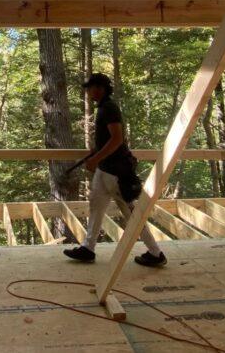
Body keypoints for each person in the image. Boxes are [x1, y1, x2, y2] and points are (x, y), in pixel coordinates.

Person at [64, 73, 166, 267]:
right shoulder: (103, 108)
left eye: (90, 88)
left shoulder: (109, 108)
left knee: (132, 214)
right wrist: (97, 152)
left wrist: (95, 159)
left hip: (115, 172)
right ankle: (88, 248)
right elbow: (108, 139)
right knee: (96, 206)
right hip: (105, 171)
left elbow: (117, 139)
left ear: (100, 88)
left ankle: (155, 253)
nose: (88, 92)